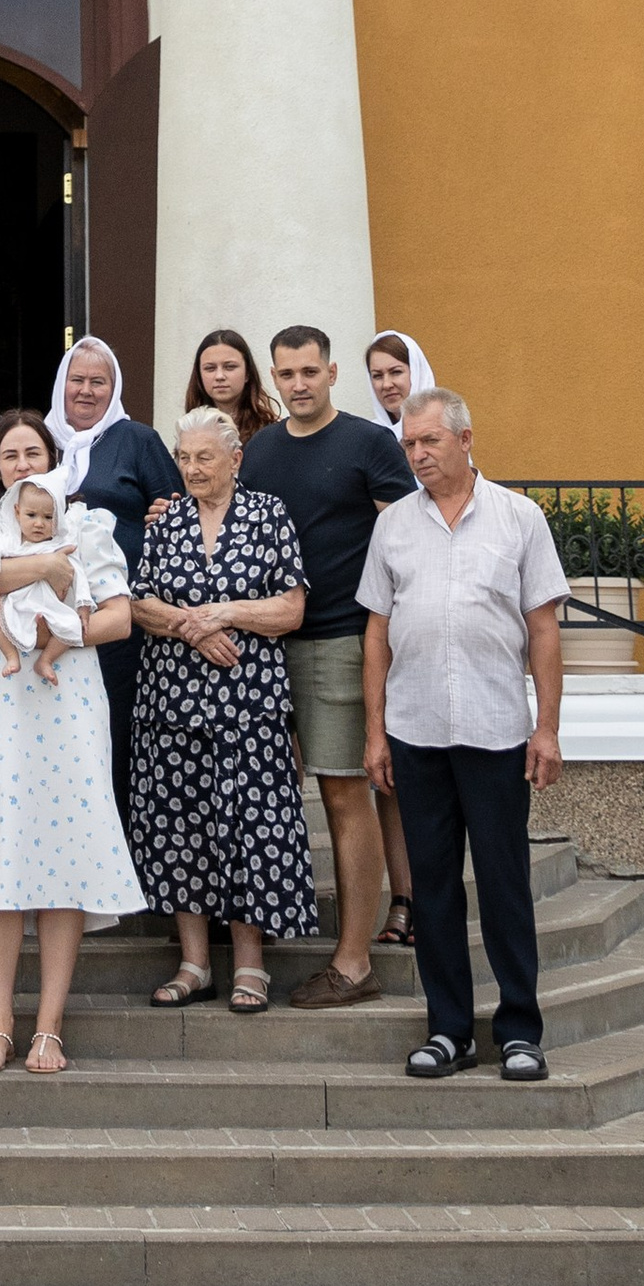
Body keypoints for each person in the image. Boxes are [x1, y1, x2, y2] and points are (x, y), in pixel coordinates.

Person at [360, 385, 566, 1085]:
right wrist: (375, 734)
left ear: (465, 439)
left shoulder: (519, 518)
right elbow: (377, 632)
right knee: (434, 889)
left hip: (496, 731)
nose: (417, 455)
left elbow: (543, 629)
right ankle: (448, 1030)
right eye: (409, 445)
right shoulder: (393, 527)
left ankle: (519, 1031)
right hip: (415, 733)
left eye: (429, 443)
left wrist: (547, 729)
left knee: (505, 884)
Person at [0, 408, 143, 1074]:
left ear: (53, 459)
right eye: (10, 455)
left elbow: (117, 617)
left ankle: (49, 1027)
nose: (23, 464)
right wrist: (47, 570)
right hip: (0, 696)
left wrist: (63, 624)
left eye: (34, 452)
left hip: (70, 693)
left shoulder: (87, 526)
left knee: (64, 851)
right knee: (0, 844)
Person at [237, 322, 415, 1009]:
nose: (298, 384)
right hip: (261, 647)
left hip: (339, 642)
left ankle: (353, 960)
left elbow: (408, 536)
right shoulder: (259, 451)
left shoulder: (370, 443)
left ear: (332, 373)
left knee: (343, 793)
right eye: (286, 375)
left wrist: (393, 631)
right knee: (267, 795)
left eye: (310, 371)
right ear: (274, 380)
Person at [129, 406, 317, 1012]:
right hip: (171, 702)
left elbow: (289, 609)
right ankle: (194, 963)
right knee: (179, 826)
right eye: (183, 458)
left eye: (203, 457)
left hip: (248, 703)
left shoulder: (268, 515)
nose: (191, 469)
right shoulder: (167, 522)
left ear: (235, 459)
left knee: (249, 827)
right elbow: (139, 603)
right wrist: (191, 629)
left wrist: (227, 613)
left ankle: (250, 965)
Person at [45, 336, 181, 808]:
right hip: (47, 618)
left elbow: (177, 515)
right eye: (77, 380)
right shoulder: (42, 443)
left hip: (120, 622)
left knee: (113, 733)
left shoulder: (137, 439)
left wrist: (161, 517)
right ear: (62, 385)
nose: (86, 391)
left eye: (98, 382)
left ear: (114, 387)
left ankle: (115, 853)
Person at [361, 330, 439, 949]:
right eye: (379, 375)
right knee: (387, 775)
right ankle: (405, 896)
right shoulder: (372, 443)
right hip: (386, 614)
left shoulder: (438, 437)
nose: (389, 383)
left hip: (435, 622)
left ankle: (426, 896)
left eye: (397, 371)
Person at [0, 481, 82, 680]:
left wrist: (84, 603)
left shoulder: (59, 545)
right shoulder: (11, 541)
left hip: (48, 603)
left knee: (72, 625)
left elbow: (79, 575)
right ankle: (11, 657)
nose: (39, 523)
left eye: (48, 517)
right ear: (17, 512)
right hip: (17, 601)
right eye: (31, 515)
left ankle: (45, 660)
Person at [186, 328, 277, 446]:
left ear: (247, 373)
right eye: (210, 368)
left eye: (229, 367)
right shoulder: (189, 430)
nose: (219, 376)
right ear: (199, 375)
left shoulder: (270, 433)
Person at [364, 333, 434, 438]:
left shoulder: (444, 428)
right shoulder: (368, 438)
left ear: (417, 373)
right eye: (377, 376)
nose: (386, 385)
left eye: (396, 372)